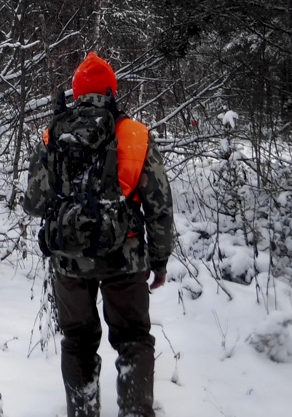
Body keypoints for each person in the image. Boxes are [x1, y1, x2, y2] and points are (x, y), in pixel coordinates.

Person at [24, 52, 174, 417]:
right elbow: (159, 204)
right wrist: (159, 260)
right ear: (112, 90)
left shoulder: (51, 135)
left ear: (75, 93)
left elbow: (33, 202)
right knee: (134, 338)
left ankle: (83, 411)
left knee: (77, 341)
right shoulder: (134, 134)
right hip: (125, 257)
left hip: (69, 260)